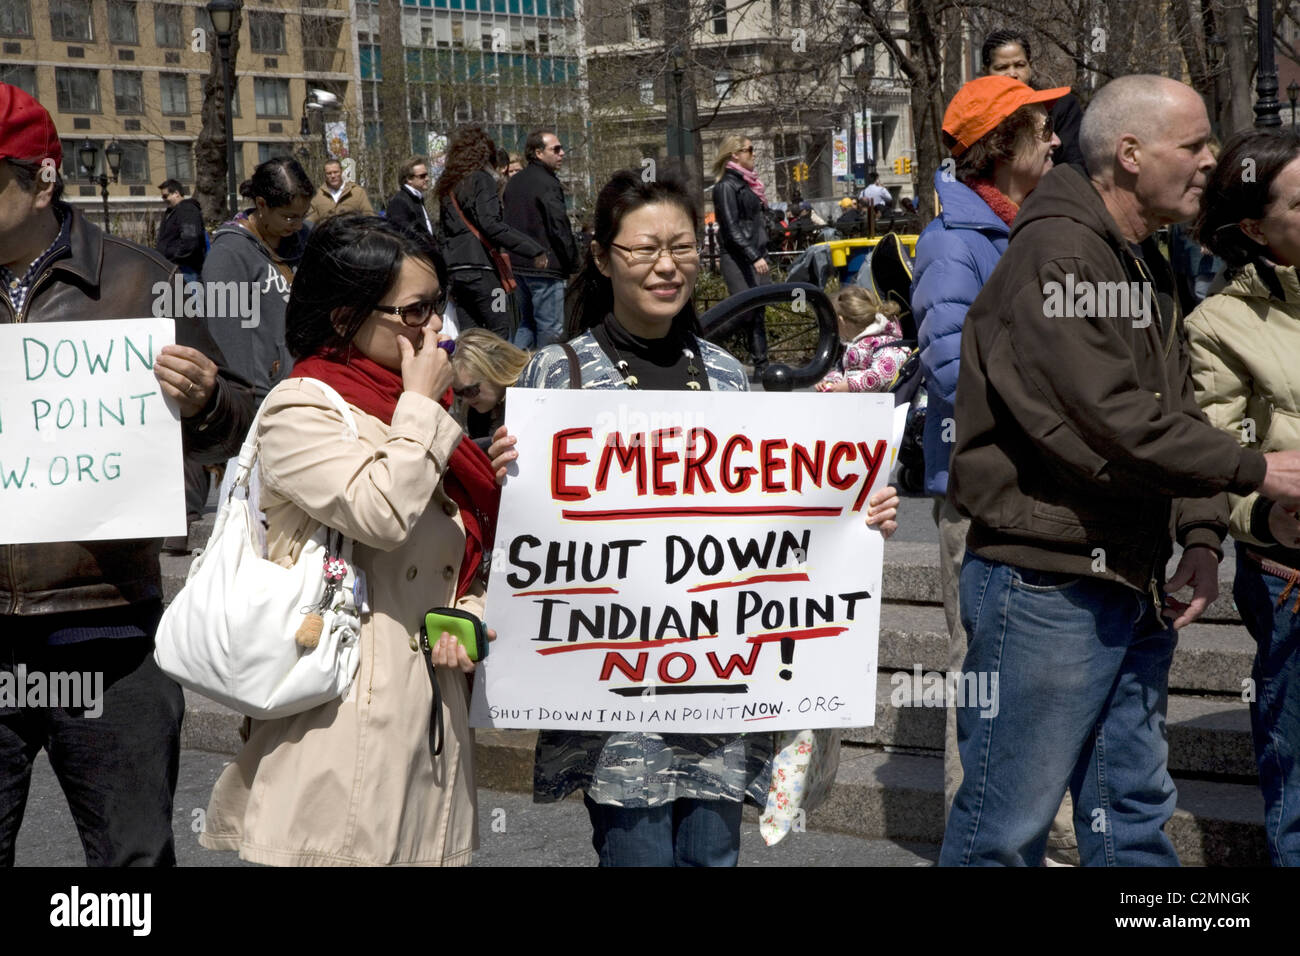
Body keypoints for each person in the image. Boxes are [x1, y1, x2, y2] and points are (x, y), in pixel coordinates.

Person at [942, 75, 1300, 867]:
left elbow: (1172, 407)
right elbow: (1108, 421)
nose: (1212, 160)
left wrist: (1202, 538)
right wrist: (1254, 470)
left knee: (1131, 815)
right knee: (1003, 831)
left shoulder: (1141, 256)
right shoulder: (1060, 252)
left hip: (1127, 575)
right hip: (1049, 585)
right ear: (1131, 154)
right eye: (1196, 145)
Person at [518, 169, 901, 866]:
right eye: (643, 249)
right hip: (618, 703)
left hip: (720, 692)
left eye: (684, 246)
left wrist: (853, 513)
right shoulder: (557, 377)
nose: (667, 265)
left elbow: (774, 517)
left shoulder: (728, 375)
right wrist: (504, 472)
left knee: (712, 861)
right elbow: (519, 528)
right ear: (603, 258)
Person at [199, 213, 513, 866]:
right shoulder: (300, 407)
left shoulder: (413, 411)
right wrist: (425, 410)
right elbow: (379, 512)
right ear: (345, 318)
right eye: (416, 311)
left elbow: (461, 560)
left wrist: (469, 620)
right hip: (338, 729)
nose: (438, 330)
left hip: (429, 722)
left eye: (440, 307)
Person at [0, 82, 253, 866]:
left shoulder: (145, 284)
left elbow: (247, 422)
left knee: (132, 866)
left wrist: (207, 402)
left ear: (43, 177)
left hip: (109, 632)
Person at [908, 74, 1068, 852]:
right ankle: (970, 834)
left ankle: (1032, 831)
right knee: (976, 672)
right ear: (1004, 145)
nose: (1058, 141)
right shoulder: (953, 242)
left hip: (1034, 489)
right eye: (1043, 130)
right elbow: (949, 369)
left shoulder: (1034, 228)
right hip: (977, 496)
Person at [1186, 128, 1300, 866]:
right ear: (1257, 228)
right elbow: (1213, 462)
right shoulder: (1216, 325)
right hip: (1292, 572)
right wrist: (1266, 510)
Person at [201, 156, 313, 403]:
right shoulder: (228, 255)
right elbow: (227, 339)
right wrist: (245, 400)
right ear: (262, 204)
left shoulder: (307, 237)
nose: (297, 225)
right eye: (288, 217)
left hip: (311, 384)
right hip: (263, 398)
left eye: (303, 215)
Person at [436, 125, 547, 339]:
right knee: (501, 328)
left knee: (471, 335)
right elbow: (491, 224)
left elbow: (442, 234)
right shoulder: (481, 180)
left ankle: (473, 372)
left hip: (456, 272)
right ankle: (499, 373)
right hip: (482, 270)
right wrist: (533, 249)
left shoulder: (447, 186)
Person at [504, 129, 580, 350]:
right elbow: (558, 226)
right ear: (538, 152)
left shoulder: (514, 182)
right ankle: (547, 376)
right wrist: (573, 263)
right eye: (555, 149)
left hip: (519, 265)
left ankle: (513, 371)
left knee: (526, 324)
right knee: (550, 329)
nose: (562, 153)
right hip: (545, 267)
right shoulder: (547, 183)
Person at [981, 27, 1085, 170]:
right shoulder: (979, 116)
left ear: (1030, 66)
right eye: (1002, 68)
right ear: (986, 72)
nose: (1012, 74)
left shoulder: (1061, 107)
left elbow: (1074, 166)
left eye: (1019, 65)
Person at [712, 135, 770, 379]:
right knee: (744, 310)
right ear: (734, 154)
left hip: (755, 253)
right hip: (738, 257)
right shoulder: (726, 186)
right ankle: (703, 338)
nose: (753, 154)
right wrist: (753, 255)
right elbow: (730, 227)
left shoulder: (747, 184)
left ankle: (762, 365)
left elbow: (752, 221)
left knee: (757, 309)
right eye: (749, 150)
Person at [814, 286, 910, 392]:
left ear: (841, 321)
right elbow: (842, 370)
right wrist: (830, 382)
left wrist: (850, 386)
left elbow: (883, 376)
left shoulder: (884, 343)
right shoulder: (855, 344)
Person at [449, 327, 531, 449]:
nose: (465, 400)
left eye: (470, 390)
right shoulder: (475, 416)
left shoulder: (532, 392)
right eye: (458, 393)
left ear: (497, 368)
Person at [156, 178, 206, 281]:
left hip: (186, 269)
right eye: (162, 197)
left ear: (176, 193)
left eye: (165, 196)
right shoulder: (173, 211)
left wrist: (175, 259)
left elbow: (190, 240)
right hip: (175, 267)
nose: (163, 199)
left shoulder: (187, 209)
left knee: (190, 296)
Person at [306, 158, 374, 224]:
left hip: (353, 234)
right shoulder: (318, 195)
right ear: (325, 175)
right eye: (329, 173)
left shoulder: (357, 192)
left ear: (341, 172)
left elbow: (369, 215)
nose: (333, 176)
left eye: (336, 172)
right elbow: (310, 221)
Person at [385, 156, 434, 237]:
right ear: (409, 179)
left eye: (427, 175)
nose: (427, 179)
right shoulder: (399, 202)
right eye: (422, 176)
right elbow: (402, 236)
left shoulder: (417, 198)